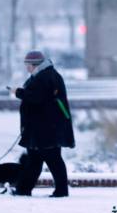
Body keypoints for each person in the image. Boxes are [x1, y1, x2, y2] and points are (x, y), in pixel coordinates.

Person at [10, 50, 75, 197]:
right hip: (41, 129)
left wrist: (18, 92)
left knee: (53, 161)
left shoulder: (45, 77)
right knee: (35, 161)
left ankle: (61, 191)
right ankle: (23, 190)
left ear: (35, 65)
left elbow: (36, 98)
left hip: (46, 130)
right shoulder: (45, 76)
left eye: (28, 65)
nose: (26, 68)